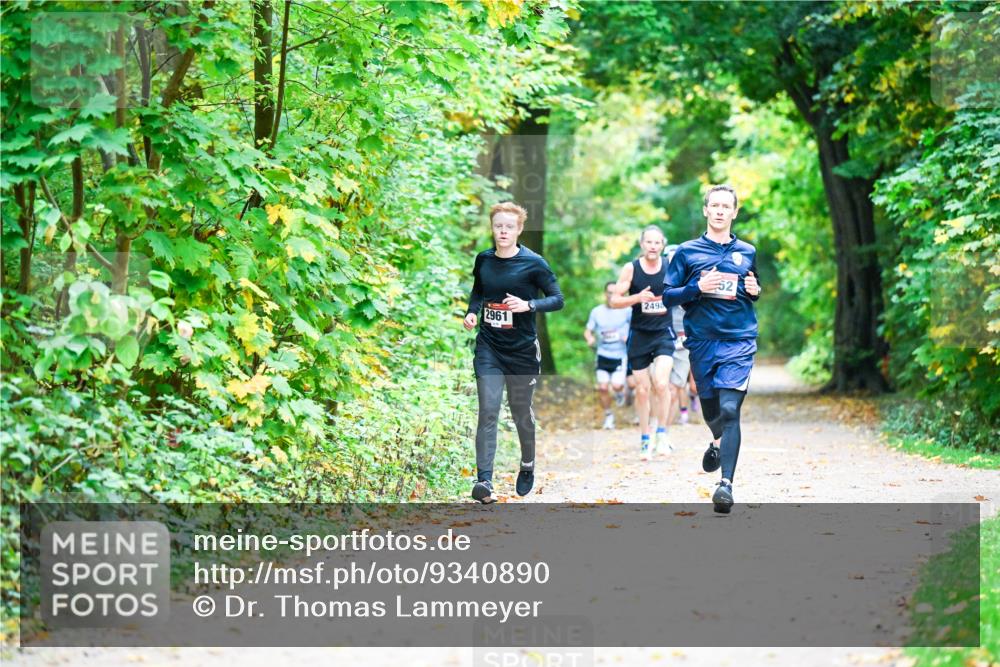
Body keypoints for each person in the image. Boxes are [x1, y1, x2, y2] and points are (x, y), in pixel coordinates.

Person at [661, 185, 761, 513]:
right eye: (714, 205)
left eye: (725, 206)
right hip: (702, 340)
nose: (719, 211)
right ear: (706, 210)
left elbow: (753, 286)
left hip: (739, 339)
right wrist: (696, 287)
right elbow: (667, 296)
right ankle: (718, 441)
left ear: (734, 212)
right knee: (712, 412)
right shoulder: (686, 252)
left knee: (730, 409)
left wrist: (755, 289)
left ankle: (726, 484)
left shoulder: (747, 251)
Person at [464, 202, 564, 504]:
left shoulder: (534, 263)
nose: (503, 231)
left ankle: (528, 463)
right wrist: (472, 312)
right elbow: (479, 290)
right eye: (498, 226)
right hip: (489, 347)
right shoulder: (484, 260)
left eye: (509, 226)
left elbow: (557, 299)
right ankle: (484, 482)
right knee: (488, 409)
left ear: (519, 229)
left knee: (520, 411)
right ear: (492, 228)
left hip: (522, 352)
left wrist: (528, 305)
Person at [610, 226, 676, 460]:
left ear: (663, 245)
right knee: (642, 390)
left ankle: (662, 434)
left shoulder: (670, 265)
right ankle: (645, 438)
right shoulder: (631, 268)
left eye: (657, 242)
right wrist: (637, 298)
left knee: (661, 383)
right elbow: (614, 300)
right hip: (639, 335)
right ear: (642, 244)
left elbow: (687, 286)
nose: (653, 246)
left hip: (664, 333)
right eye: (649, 242)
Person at [584, 282, 631, 429]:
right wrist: (589, 338)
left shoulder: (627, 310)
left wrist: (629, 337)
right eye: (609, 292)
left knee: (616, 386)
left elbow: (637, 328)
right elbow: (588, 330)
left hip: (620, 355)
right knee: (603, 388)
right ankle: (609, 416)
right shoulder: (597, 311)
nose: (611, 295)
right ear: (605, 294)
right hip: (602, 354)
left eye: (614, 292)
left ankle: (620, 392)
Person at [664, 244, 692, 426]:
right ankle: (655, 426)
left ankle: (663, 431)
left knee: (675, 388)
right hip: (661, 340)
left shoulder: (692, 279)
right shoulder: (658, 280)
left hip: (684, 343)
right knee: (659, 386)